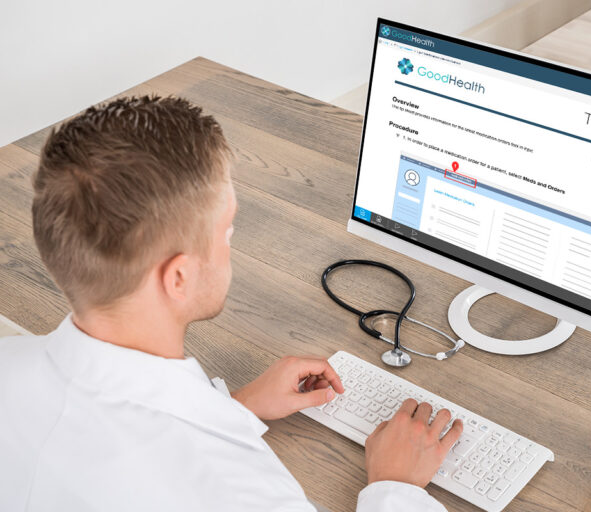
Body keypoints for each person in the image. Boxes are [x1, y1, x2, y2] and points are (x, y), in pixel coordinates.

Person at [0, 96, 462, 511]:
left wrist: (234, 409)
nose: (230, 244)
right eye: (227, 230)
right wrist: (396, 488)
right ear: (178, 277)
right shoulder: (236, 490)